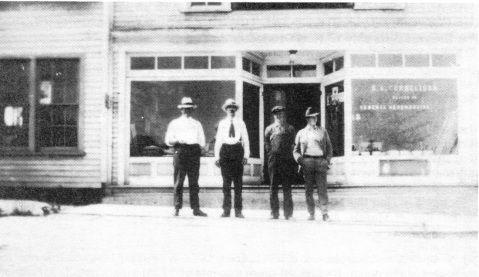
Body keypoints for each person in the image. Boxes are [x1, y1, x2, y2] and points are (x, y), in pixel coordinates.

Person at [165, 97, 207, 217]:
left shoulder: (197, 124)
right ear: (181, 109)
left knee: (194, 182)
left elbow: (202, 141)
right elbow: (168, 140)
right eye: (185, 109)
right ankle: (177, 207)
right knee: (179, 181)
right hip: (181, 151)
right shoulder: (175, 123)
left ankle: (196, 208)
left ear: (192, 110)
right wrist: (178, 140)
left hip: (193, 151)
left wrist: (197, 147)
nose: (187, 111)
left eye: (189, 109)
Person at [293, 107, 333, 221]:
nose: (314, 119)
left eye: (315, 117)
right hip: (307, 162)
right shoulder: (301, 133)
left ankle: (325, 213)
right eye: (312, 117)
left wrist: (327, 160)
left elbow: (329, 147)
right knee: (308, 190)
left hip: (321, 162)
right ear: (307, 119)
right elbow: (295, 150)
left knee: (322, 189)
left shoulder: (322, 131)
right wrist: (301, 161)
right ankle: (311, 213)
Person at [214, 99, 250, 218]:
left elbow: (245, 139)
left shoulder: (241, 123)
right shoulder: (222, 123)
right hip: (225, 151)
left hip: (237, 150)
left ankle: (238, 211)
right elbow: (218, 140)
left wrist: (246, 155)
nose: (231, 109)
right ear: (226, 109)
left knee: (238, 183)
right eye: (229, 107)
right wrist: (217, 156)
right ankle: (226, 210)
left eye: (233, 107)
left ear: (236, 109)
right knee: (226, 184)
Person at [264, 105, 296, 220]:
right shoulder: (269, 129)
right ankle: (274, 213)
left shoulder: (290, 128)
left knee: (287, 186)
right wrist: (271, 153)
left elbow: (293, 144)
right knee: (273, 187)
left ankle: (288, 214)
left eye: (281, 114)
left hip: (286, 160)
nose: (279, 116)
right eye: (276, 114)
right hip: (274, 160)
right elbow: (267, 143)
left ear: (284, 115)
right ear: (274, 116)